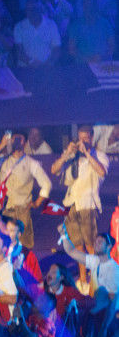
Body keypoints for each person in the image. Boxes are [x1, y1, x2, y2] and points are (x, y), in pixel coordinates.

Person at [51, 125, 109, 291]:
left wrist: (87, 153)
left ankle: (95, 281)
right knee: (77, 246)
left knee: (91, 246)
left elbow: (102, 172)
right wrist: (68, 154)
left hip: (88, 205)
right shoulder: (72, 157)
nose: (82, 142)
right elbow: (54, 169)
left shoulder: (100, 156)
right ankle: (83, 280)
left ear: (92, 137)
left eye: (86, 139)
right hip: (71, 205)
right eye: (80, 138)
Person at [0, 130, 52, 248]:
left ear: (25, 143)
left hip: (22, 209)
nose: (16, 142)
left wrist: (36, 203)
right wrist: (2, 146)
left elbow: (47, 184)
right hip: (5, 208)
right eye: (14, 139)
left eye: (19, 139)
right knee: (4, 243)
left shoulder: (31, 163)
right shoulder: (3, 160)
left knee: (24, 245)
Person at [13, 0, 61, 66]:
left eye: (34, 9)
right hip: (25, 68)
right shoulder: (19, 26)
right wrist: (31, 62)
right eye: (28, 9)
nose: (31, 12)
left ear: (40, 10)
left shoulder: (51, 25)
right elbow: (18, 52)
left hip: (47, 68)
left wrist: (47, 64)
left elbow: (57, 49)